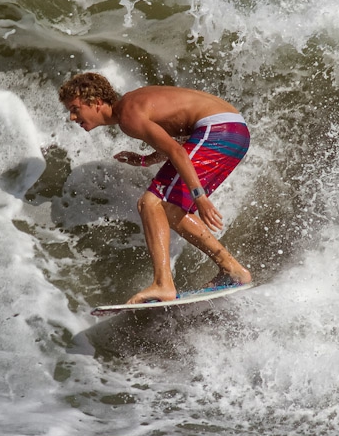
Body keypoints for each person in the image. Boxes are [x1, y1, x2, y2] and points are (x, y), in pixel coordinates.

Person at [59, 72, 252, 304]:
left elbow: (178, 151)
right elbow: (179, 140)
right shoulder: (132, 106)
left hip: (219, 129)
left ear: (96, 102)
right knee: (169, 208)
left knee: (149, 203)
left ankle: (163, 284)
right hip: (234, 131)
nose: (71, 117)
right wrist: (146, 160)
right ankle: (233, 270)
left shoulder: (128, 115)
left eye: (75, 108)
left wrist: (199, 197)